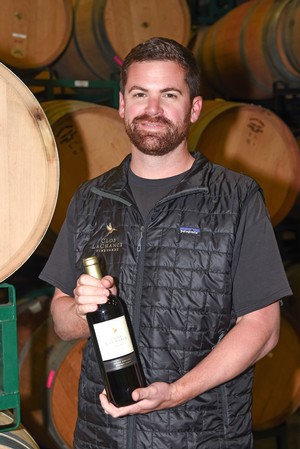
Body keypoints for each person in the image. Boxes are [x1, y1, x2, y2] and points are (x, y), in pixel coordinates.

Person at [40, 37, 292, 449]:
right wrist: (82, 309)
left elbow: (262, 329)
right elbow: (62, 321)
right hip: (103, 436)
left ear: (194, 108)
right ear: (122, 104)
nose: (152, 110)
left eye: (169, 95)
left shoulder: (236, 198)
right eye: (140, 94)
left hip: (203, 436)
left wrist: (175, 393)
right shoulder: (91, 198)